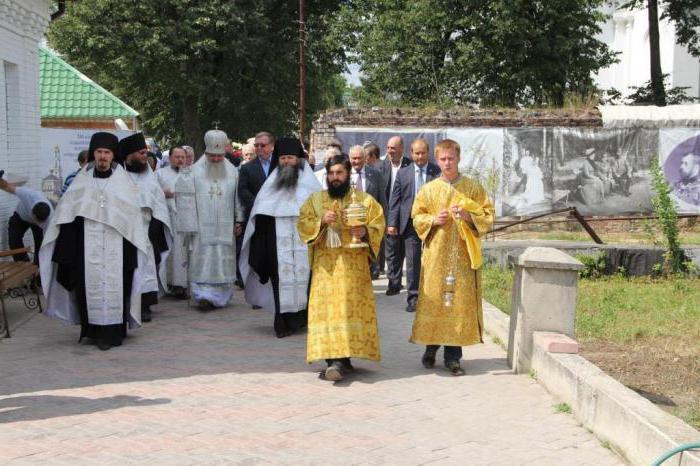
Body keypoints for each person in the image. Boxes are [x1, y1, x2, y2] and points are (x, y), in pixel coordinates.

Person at [39, 132, 150, 350]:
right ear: (93, 154)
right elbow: (66, 215)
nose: (102, 157)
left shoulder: (123, 184)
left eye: (107, 152)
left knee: (119, 287)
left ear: (113, 156)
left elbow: (132, 221)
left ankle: (114, 332)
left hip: (118, 249)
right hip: (87, 248)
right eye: (98, 152)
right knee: (87, 288)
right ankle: (92, 331)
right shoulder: (80, 183)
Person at [409, 139, 494, 376]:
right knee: (436, 302)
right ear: (437, 160)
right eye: (443, 159)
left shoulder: (473, 188)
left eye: (451, 158)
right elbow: (416, 217)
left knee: (456, 305)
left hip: (463, 258)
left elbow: (488, 215)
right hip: (436, 256)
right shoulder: (428, 190)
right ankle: (430, 348)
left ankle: (453, 357)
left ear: (458, 158)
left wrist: (468, 216)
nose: (447, 163)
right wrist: (433, 220)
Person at [297, 155, 385, 382]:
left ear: (348, 174)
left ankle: (343, 360)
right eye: (331, 173)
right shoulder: (316, 201)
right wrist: (321, 221)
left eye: (339, 173)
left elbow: (378, 223)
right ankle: (333, 361)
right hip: (326, 270)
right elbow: (303, 225)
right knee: (327, 314)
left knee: (348, 312)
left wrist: (365, 231)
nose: (335, 178)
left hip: (353, 270)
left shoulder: (364, 200)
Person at [239, 138, 321, 337]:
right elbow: (261, 212)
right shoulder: (271, 185)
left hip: (304, 244)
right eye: (283, 158)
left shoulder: (311, 184)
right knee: (280, 282)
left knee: (304, 281)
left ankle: (300, 320)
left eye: (290, 158)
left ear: (298, 159)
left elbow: (320, 212)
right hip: (277, 246)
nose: (286, 162)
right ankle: (282, 323)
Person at [118, 133, 172, 323]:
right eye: (141, 152)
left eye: (145, 152)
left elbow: (158, 206)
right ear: (129, 154)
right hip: (122, 231)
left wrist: (155, 229)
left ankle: (145, 306)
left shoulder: (150, 178)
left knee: (146, 267)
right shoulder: (117, 176)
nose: (145, 156)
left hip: (145, 229)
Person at [189, 129, 243, 309]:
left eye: (220, 156)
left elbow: (238, 198)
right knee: (202, 261)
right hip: (201, 227)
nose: (217, 159)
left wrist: (238, 220)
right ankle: (202, 296)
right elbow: (187, 201)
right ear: (206, 152)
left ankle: (220, 297)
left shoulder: (233, 171)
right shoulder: (194, 172)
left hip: (225, 227)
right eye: (213, 156)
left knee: (222, 261)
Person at [387, 138, 440, 312]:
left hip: (433, 223)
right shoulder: (404, 173)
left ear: (428, 153)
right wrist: (392, 223)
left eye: (423, 153)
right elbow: (395, 200)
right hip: (410, 223)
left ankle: (433, 296)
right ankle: (413, 299)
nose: (420, 156)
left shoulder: (437, 172)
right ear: (411, 153)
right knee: (413, 261)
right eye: (416, 153)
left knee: (434, 259)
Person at [155, 146, 189, 298]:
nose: (180, 160)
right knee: (172, 252)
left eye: (183, 157)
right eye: (177, 157)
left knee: (185, 252)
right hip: (168, 220)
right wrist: (163, 194)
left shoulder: (191, 174)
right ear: (169, 158)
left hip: (187, 220)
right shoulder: (160, 174)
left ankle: (185, 284)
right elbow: (152, 193)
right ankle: (171, 283)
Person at [379, 135, 411, 295]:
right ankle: (394, 283)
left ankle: (411, 283)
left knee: (405, 251)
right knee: (391, 252)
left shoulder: (410, 166)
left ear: (401, 149)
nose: (390, 151)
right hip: (388, 215)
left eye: (393, 148)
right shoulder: (381, 166)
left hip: (406, 216)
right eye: (388, 148)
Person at [348, 145, 386, 279]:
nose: (356, 161)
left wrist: (384, 224)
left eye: (359, 158)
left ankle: (373, 272)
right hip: (349, 226)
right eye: (354, 158)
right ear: (349, 158)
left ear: (365, 158)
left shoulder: (375, 175)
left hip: (370, 224)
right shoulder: (344, 174)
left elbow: (382, 201)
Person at [0, 174, 52, 264]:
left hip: (38, 225)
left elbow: (49, 244)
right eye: (37, 221)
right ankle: (23, 264)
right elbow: (7, 187)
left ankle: (38, 270)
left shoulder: (50, 219)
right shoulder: (28, 194)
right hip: (20, 216)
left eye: (41, 222)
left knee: (41, 246)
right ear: (33, 214)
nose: (39, 223)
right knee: (14, 240)